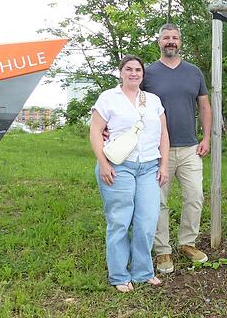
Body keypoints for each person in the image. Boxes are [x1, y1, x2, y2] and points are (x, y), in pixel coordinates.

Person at [90, 54, 169, 292]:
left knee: (146, 222)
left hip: (148, 167)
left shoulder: (153, 100)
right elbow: (96, 132)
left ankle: (143, 272)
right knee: (120, 221)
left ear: (143, 74)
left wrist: (164, 165)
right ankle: (119, 276)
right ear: (121, 72)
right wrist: (103, 164)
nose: (133, 73)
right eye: (128, 69)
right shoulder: (108, 98)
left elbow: (164, 134)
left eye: (138, 70)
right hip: (118, 167)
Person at [143, 23, 212, 274]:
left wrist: (206, 138)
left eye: (174, 37)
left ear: (180, 42)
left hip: (191, 148)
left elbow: (204, 106)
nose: (170, 41)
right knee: (158, 201)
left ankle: (187, 243)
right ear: (159, 42)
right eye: (165, 38)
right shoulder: (148, 73)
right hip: (157, 151)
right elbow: (134, 105)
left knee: (194, 197)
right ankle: (162, 251)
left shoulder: (194, 72)